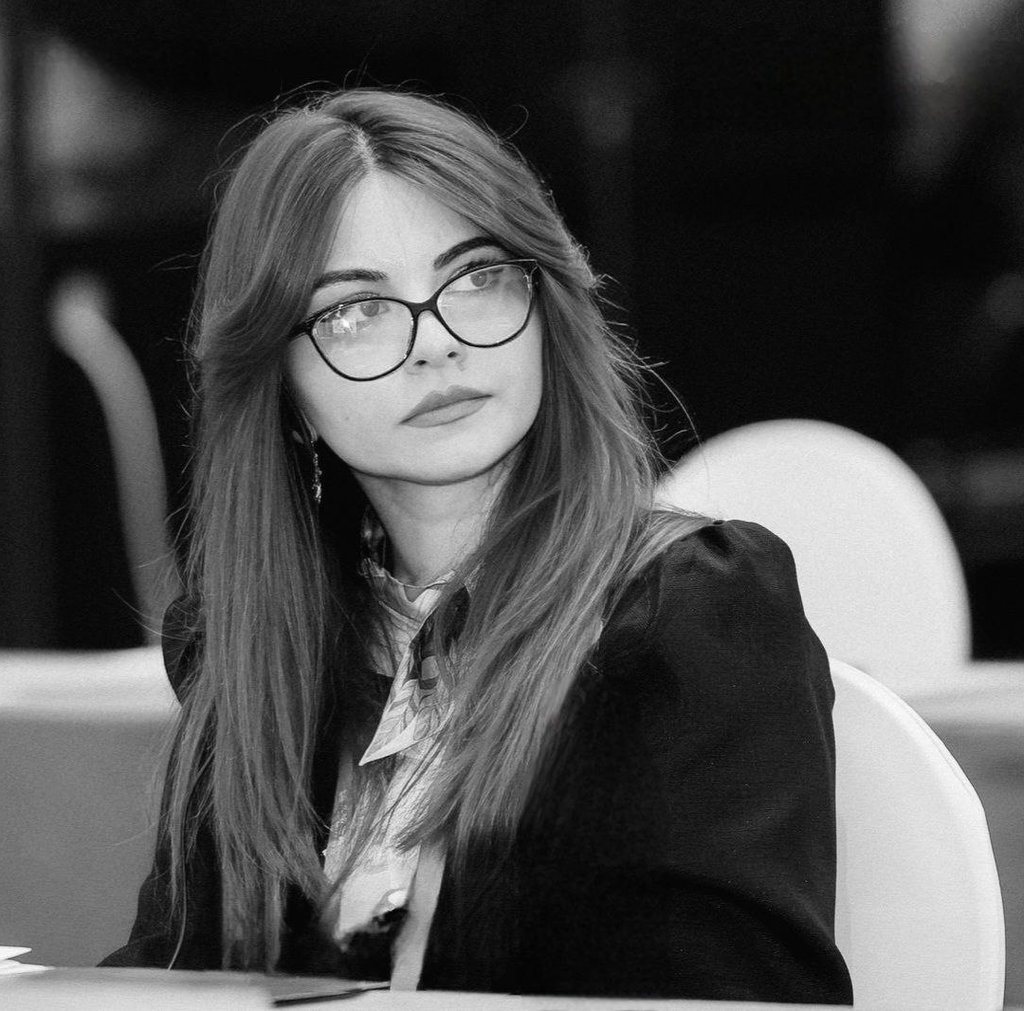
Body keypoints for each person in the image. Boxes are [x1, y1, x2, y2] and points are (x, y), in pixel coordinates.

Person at [103, 87, 853, 1003]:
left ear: (546, 304)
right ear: (279, 384)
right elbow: (172, 976)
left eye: (476, 278)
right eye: (356, 311)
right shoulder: (258, 641)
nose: (435, 343)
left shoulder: (687, 614)